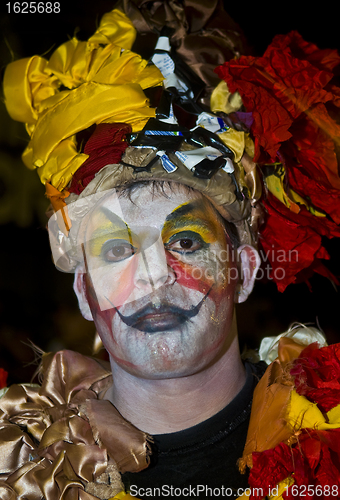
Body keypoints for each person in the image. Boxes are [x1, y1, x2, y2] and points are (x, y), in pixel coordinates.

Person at [1, 2, 340, 499]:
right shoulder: (19, 468)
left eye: (184, 241)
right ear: (83, 290)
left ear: (244, 271)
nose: (154, 274)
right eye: (117, 249)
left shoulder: (329, 431)